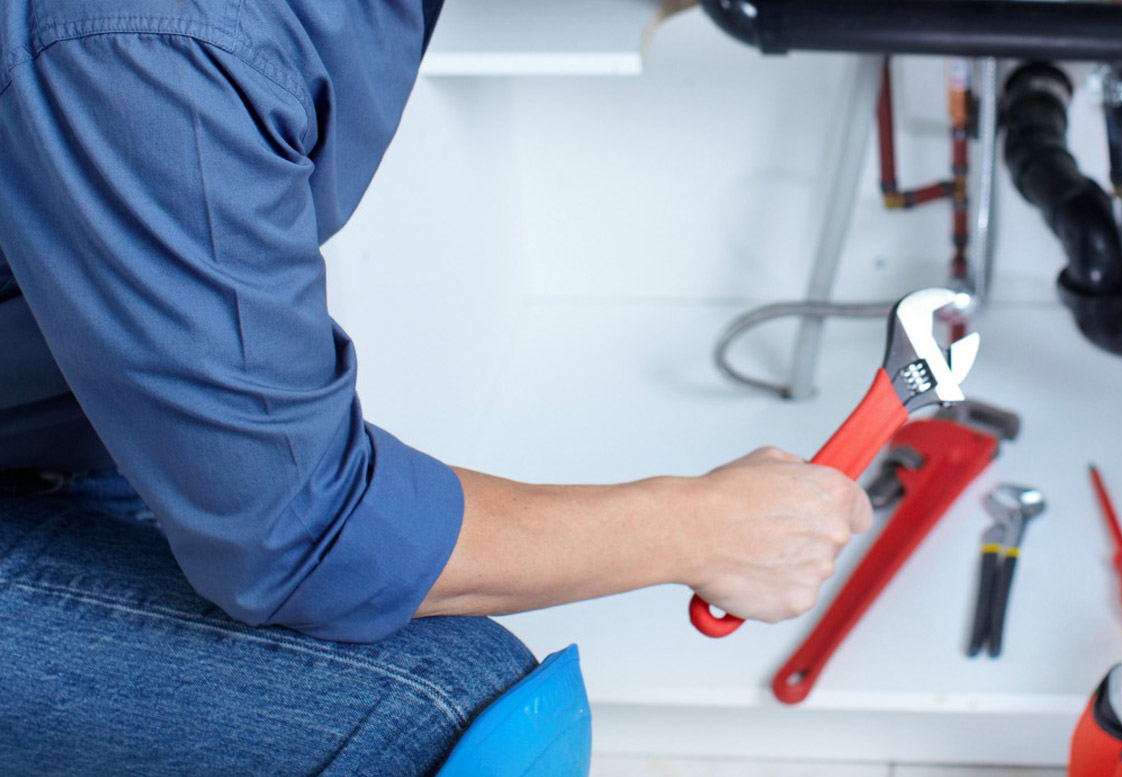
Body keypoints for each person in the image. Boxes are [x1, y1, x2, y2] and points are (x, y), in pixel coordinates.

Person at [0, 0, 874, 773]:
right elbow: (304, 531)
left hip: (74, 418)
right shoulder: (153, 42)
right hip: (70, 453)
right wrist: (699, 527)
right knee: (452, 718)